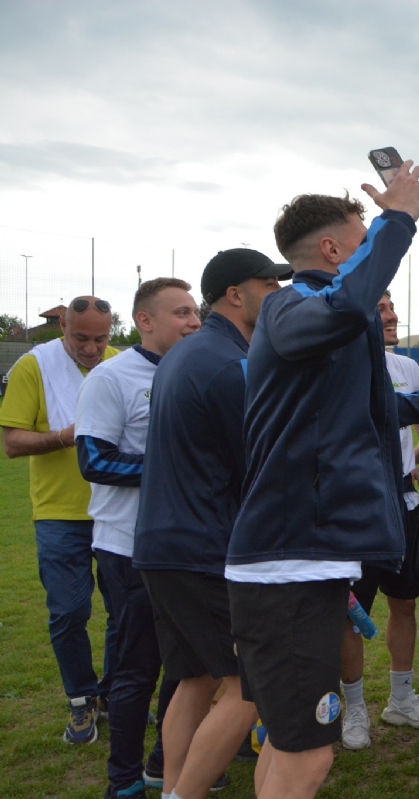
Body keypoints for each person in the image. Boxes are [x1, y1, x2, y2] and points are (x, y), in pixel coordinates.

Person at [225, 165, 419, 799]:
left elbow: (380, 411)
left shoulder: (331, 330)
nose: (373, 247)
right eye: (363, 234)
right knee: (309, 757)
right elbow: (350, 302)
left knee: (290, 746)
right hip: (285, 569)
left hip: (305, 565)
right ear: (333, 250)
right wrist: (398, 218)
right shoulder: (289, 308)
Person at [134, 249, 290, 799]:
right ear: (235, 294)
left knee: (194, 678)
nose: (279, 293)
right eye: (268, 283)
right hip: (202, 547)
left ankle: (174, 785)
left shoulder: (189, 352)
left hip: (163, 543)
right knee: (252, 688)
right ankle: (182, 793)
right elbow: (260, 464)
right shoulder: (228, 363)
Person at [75, 278, 201, 799]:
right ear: (144, 321)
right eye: (180, 313)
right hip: (129, 548)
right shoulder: (112, 378)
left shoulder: (195, 372)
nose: (194, 321)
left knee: (189, 665)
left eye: (195, 311)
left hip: (189, 546)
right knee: (135, 671)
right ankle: (122, 781)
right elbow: (95, 461)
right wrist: (177, 466)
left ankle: (161, 763)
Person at [0, 296, 119, 744]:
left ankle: (112, 693)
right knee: (69, 611)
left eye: (101, 338)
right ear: (62, 327)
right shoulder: (35, 366)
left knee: (124, 611)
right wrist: (65, 437)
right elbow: (12, 442)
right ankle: (80, 700)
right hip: (58, 513)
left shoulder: (119, 362)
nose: (92, 348)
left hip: (116, 510)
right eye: (80, 338)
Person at [338, 291, 419, 750]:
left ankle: (400, 698)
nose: (392, 314)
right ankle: (354, 706)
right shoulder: (338, 366)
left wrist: (412, 461)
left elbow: (417, 426)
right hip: (356, 504)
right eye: (379, 307)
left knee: (405, 601)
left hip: (403, 500)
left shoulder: (406, 368)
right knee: (350, 612)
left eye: (391, 305)